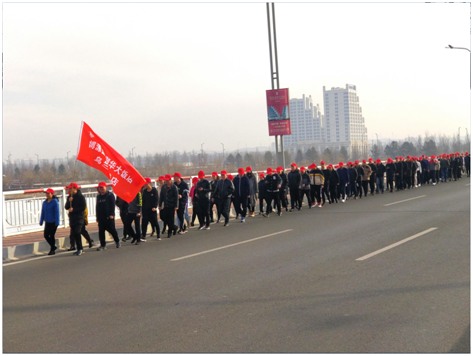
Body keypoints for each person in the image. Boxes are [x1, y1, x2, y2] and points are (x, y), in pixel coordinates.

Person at [95, 182, 121, 250]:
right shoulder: (98, 196)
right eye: (100, 188)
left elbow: (112, 205)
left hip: (109, 216)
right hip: (101, 217)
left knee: (111, 230)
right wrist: (97, 216)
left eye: (102, 187)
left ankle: (117, 241)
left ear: (105, 187)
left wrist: (112, 214)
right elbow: (97, 207)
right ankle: (103, 245)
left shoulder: (110, 195)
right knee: (101, 231)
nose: (101, 189)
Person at [64, 182, 86, 256]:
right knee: (74, 234)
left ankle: (80, 248)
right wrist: (69, 201)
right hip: (72, 218)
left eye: (71, 188)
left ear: (75, 189)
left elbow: (83, 207)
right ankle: (79, 248)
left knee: (77, 232)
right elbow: (66, 207)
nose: (69, 190)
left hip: (79, 218)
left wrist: (74, 210)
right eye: (69, 188)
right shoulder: (70, 197)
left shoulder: (81, 197)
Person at [39, 188, 60, 255]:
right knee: (46, 235)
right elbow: (43, 212)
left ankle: (52, 250)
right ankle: (53, 246)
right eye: (46, 193)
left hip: (53, 222)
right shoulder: (45, 202)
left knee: (52, 235)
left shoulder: (55, 202)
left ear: (52, 194)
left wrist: (57, 222)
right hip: (47, 221)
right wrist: (41, 221)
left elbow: (57, 213)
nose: (47, 195)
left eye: (48, 193)